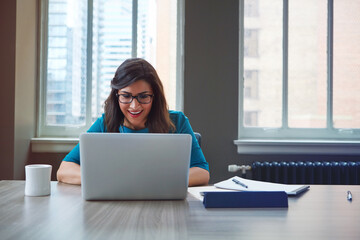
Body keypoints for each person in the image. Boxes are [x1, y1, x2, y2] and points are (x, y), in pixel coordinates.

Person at [57, 58, 210, 187]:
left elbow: (202, 172)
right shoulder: (105, 123)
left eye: (143, 96)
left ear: (154, 96)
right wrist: (108, 180)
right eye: (126, 96)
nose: (134, 106)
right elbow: (64, 170)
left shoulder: (177, 122)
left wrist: (151, 182)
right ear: (116, 95)